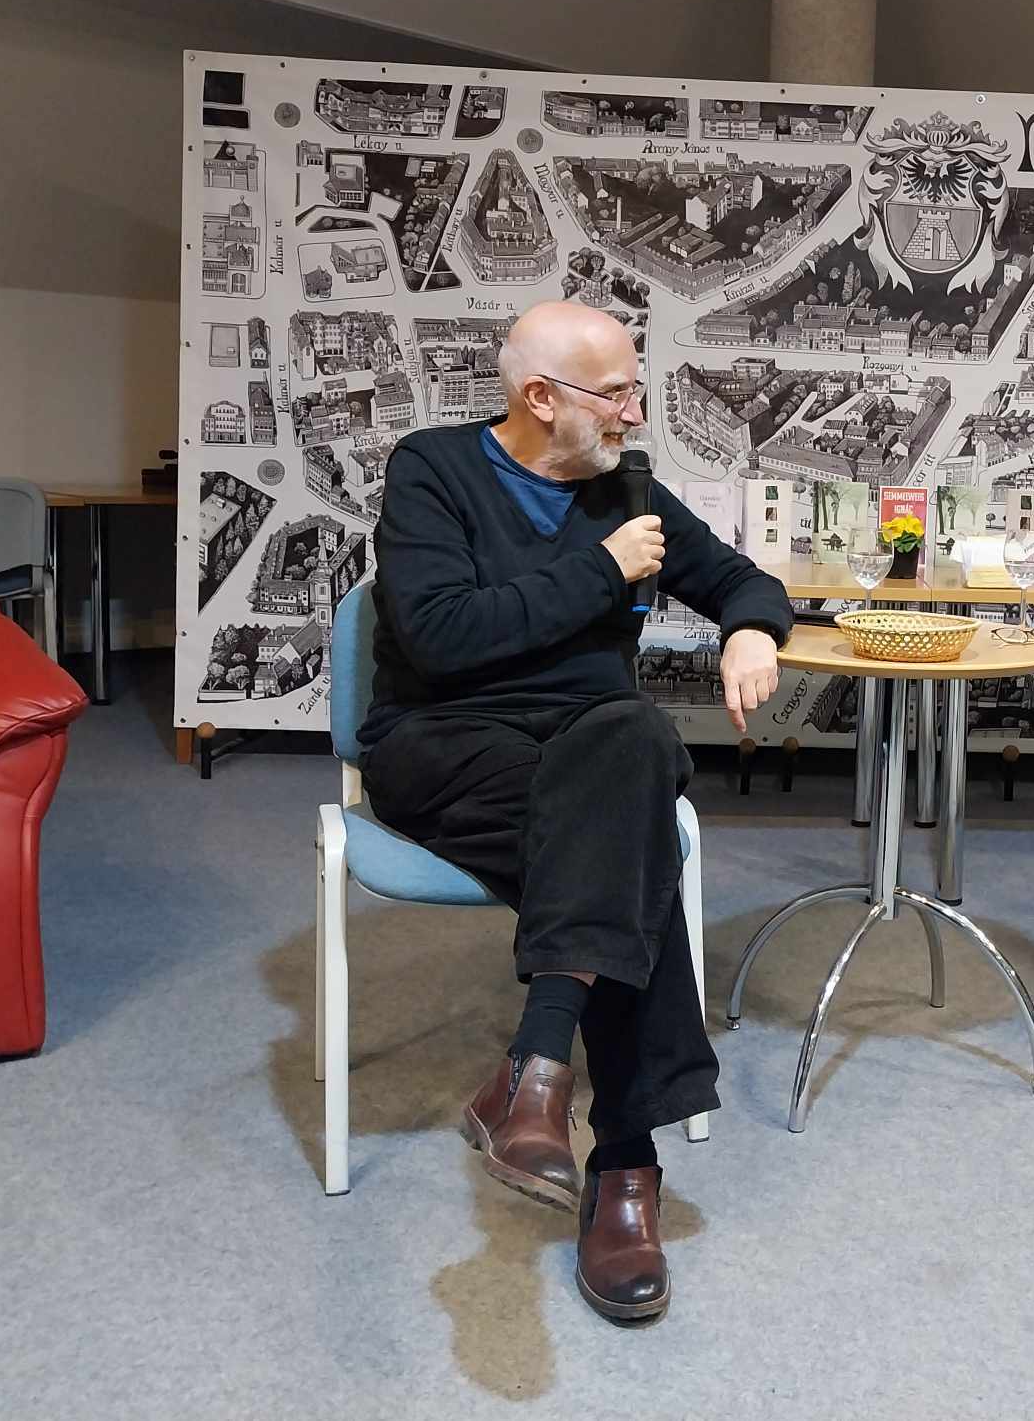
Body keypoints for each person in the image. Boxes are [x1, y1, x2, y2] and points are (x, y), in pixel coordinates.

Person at [357, 300, 791, 1319]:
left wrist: (750, 630)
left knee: (631, 741)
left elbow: (742, 579)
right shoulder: (432, 471)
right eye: (617, 395)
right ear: (540, 397)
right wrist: (601, 571)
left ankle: (538, 1071)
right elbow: (441, 637)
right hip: (447, 745)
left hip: (589, 751)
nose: (635, 415)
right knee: (628, 843)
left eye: (637, 391)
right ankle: (625, 1166)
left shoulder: (626, 491)